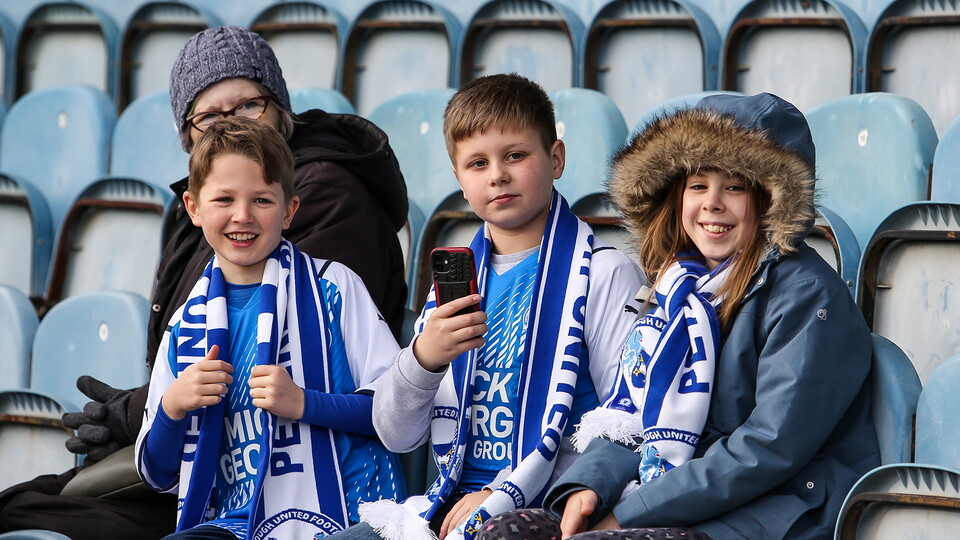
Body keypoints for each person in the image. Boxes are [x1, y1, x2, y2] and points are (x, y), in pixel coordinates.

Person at [0, 26, 408, 539]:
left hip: (316, 486)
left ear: (279, 108)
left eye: (248, 106)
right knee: (25, 506)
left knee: (35, 510)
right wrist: (162, 408)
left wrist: (132, 413)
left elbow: (294, 357)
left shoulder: (325, 195)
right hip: (218, 470)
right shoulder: (200, 219)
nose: (229, 124)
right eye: (209, 115)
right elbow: (173, 426)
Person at [475, 93, 880, 540]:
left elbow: (769, 448)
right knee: (505, 533)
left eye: (736, 187)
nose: (713, 204)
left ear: (772, 200)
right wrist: (588, 486)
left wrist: (630, 515)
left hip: (780, 508)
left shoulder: (806, 296)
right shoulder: (675, 289)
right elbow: (634, 411)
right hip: (670, 498)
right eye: (698, 185)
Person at [330, 73, 644, 540]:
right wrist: (424, 360)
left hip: (551, 506)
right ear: (458, 179)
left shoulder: (605, 273)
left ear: (555, 158)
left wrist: (503, 496)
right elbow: (397, 435)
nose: (497, 174)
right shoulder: (453, 285)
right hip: (446, 506)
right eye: (477, 163)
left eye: (515, 156)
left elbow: (629, 420)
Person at [135, 116, 403, 539]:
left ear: (289, 210)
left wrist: (304, 403)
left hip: (348, 517)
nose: (242, 216)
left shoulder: (335, 287)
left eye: (261, 200)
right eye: (224, 199)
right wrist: (172, 406)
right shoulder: (185, 325)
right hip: (231, 524)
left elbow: (397, 413)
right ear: (193, 208)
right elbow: (155, 470)